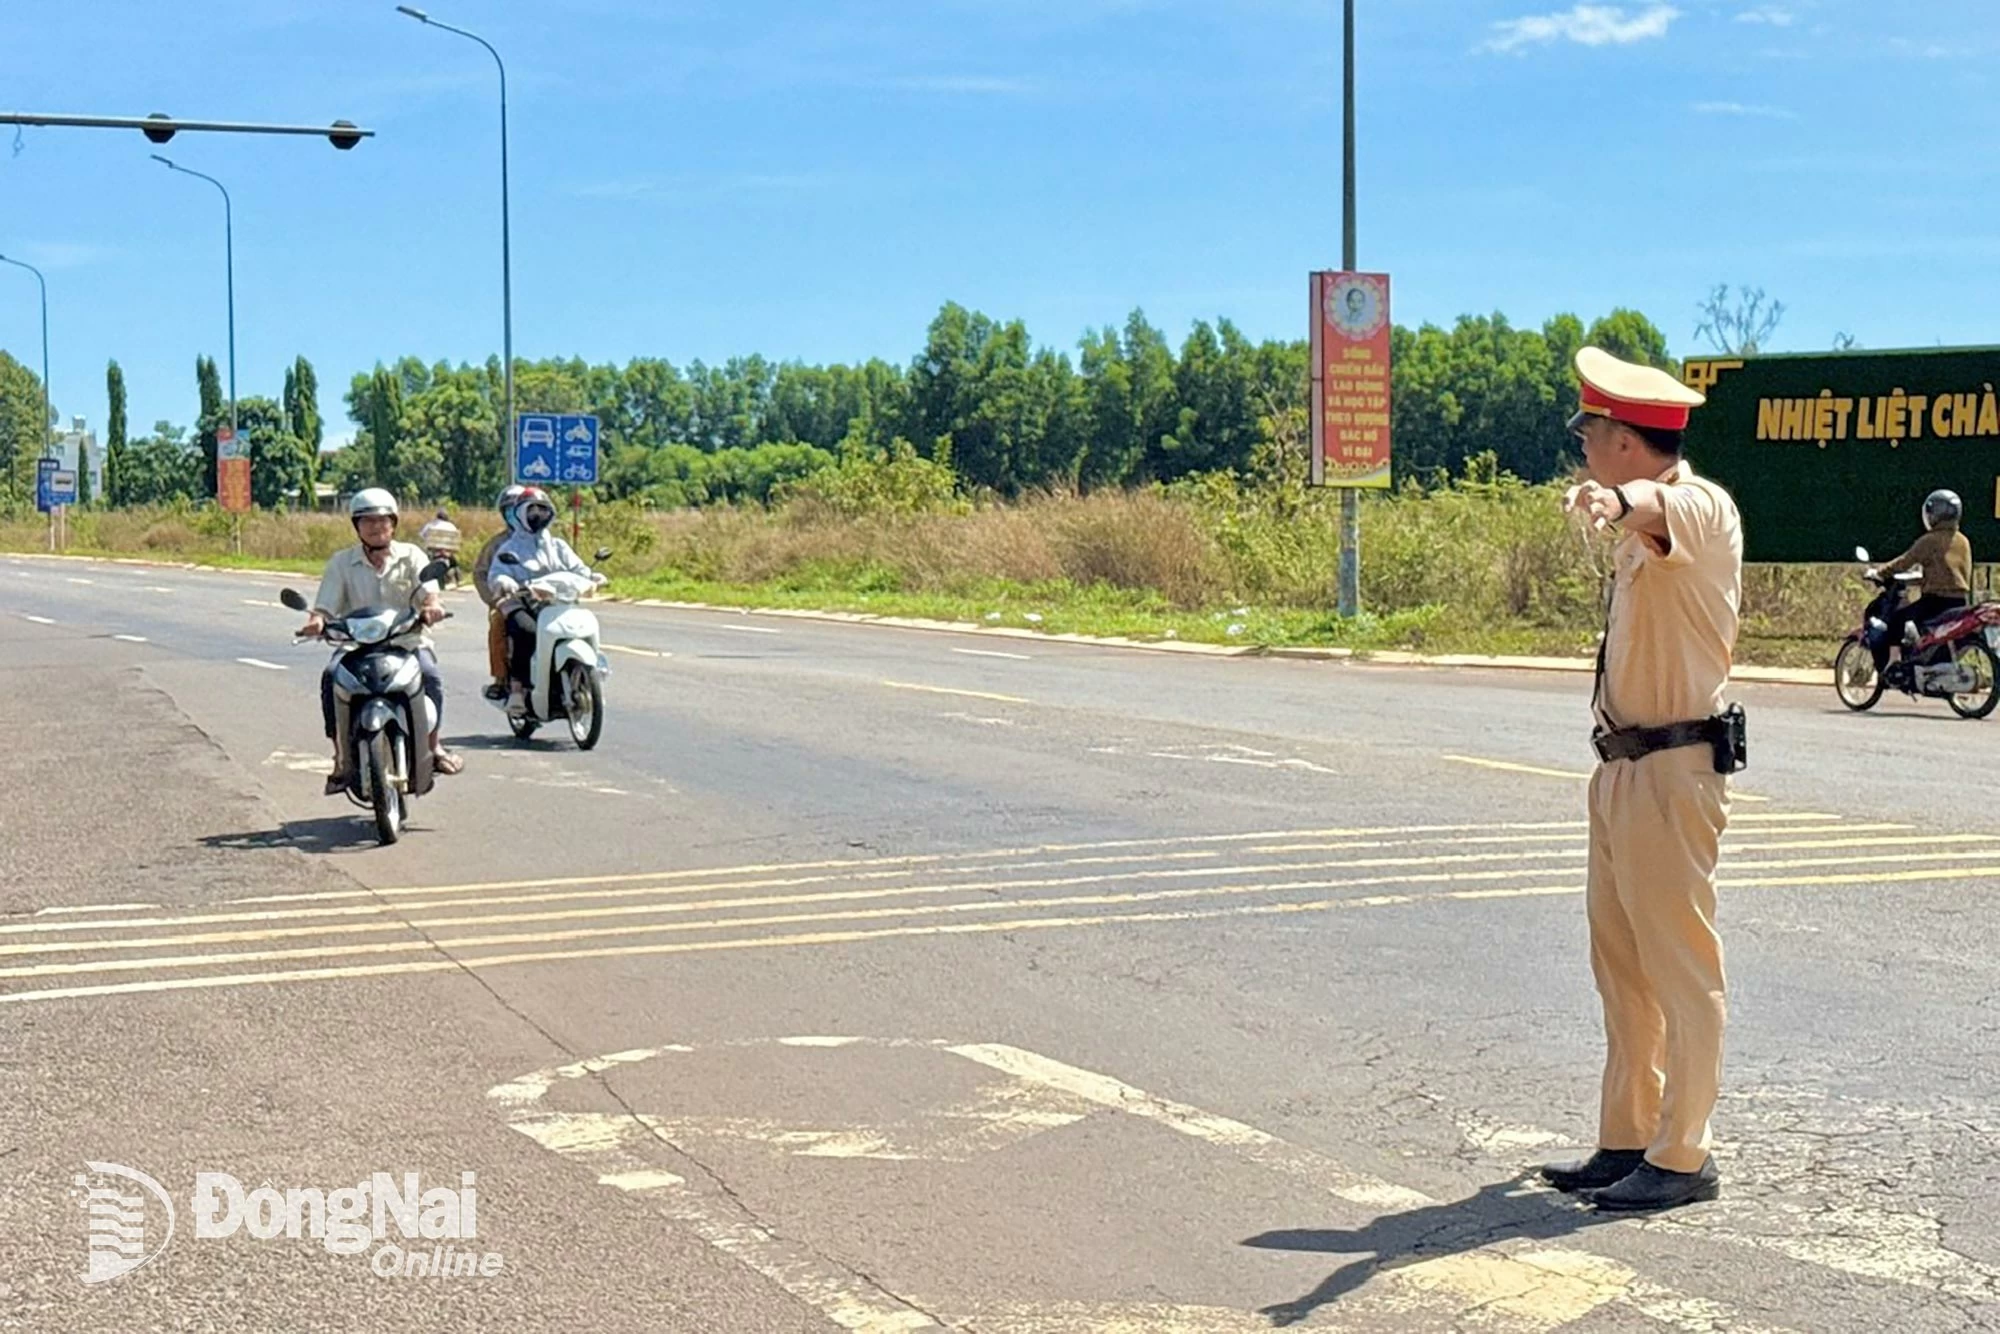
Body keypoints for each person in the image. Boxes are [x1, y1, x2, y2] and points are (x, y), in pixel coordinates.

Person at [1541, 346, 1743, 1213]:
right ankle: (1627, 1138)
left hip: (1673, 768)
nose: (1584, 448)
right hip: (1624, 770)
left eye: (1590, 434)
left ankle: (1684, 1152)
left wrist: (1615, 501)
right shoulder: (1644, 525)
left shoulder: (1698, 507)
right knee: (1621, 967)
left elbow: (1659, 503)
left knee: (1680, 967)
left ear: (1623, 442)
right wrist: (1618, 506)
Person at [297, 488, 462, 791]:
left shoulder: (411, 555)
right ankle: (341, 758)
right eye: (367, 520)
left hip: (406, 642)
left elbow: (430, 591)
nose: (376, 527)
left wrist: (431, 607)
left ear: (393, 523)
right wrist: (316, 621)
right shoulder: (342, 563)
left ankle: (433, 747)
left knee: (431, 675)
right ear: (356, 526)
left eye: (382, 520)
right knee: (331, 677)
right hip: (356, 646)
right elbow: (325, 605)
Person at [487, 487, 598, 716]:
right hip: (522, 601)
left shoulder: (558, 546)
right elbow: (496, 572)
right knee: (526, 631)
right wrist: (505, 581)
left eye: (542, 510)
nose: (537, 515)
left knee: (575, 629)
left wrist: (590, 576)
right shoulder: (510, 547)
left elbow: (577, 567)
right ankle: (518, 688)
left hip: (556, 603)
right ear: (520, 514)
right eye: (531, 510)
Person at [1872, 488, 1972, 669]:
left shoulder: (1929, 540)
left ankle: (1893, 662)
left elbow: (1904, 561)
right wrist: (1921, 579)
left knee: (1897, 619)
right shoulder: (1963, 541)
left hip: (1935, 601)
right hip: (1960, 601)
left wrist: (1880, 572)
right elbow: (1949, 572)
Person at [473, 485, 528, 701]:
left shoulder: (546, 541)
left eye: (519, 508)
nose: (514, 514)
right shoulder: (496, 544)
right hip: (508, 601)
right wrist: (494, 599)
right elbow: (480, 574)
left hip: (542, 600)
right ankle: (500, 678)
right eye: (509, 510)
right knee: (498, 623)